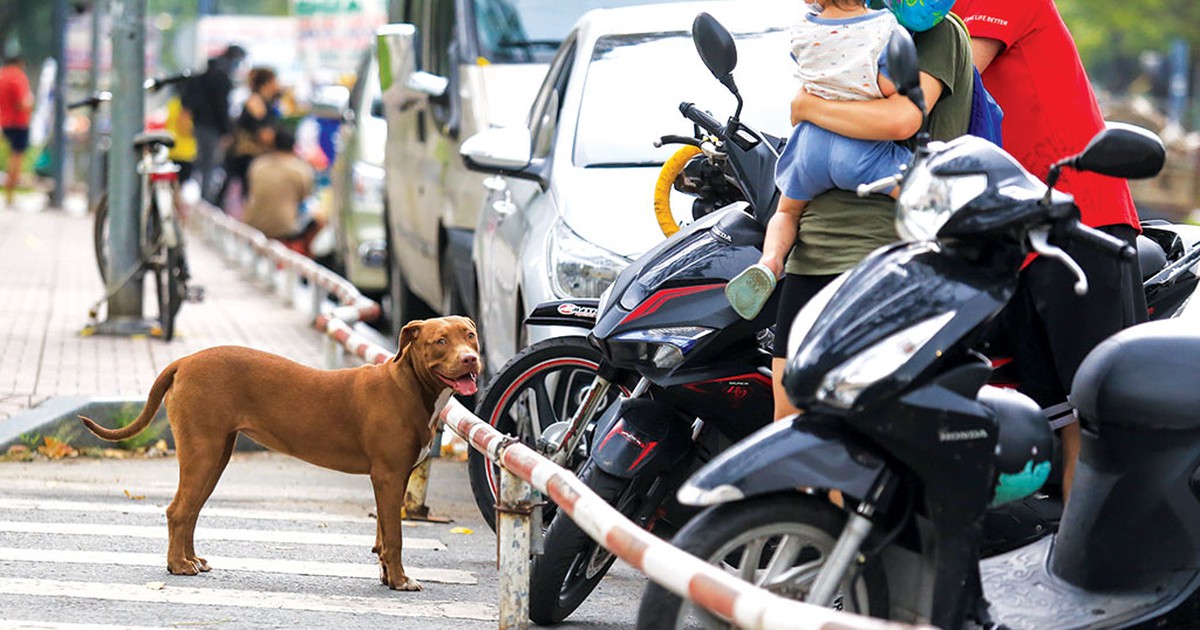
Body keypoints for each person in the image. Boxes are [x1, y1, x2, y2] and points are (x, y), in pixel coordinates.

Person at [955, 0, 1146, 500]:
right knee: (1057, 417)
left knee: (1096, 417)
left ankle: (1110, 558)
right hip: (1011, 231)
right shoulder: (926, 15)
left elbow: (949, 84)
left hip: (1077, 218)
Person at [767, 0, 972, 420]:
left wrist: (807, 109)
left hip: (884, 255)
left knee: (850, 429)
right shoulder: (832, 30)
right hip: (812, 255)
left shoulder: (934, 32)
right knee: (788, 421)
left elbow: (900, 118)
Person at [727, 0, 910, 321]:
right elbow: (889, 86)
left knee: (786, 211)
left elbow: (807, 69)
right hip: (859, 147)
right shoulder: (885, 28)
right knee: (914, 188)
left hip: (810, 144)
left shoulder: (803, 30)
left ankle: (769, 263)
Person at [183, 44, 245, 204]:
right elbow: (221, 107)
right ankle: (206, 201)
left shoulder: (204, 74)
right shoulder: (222, 76)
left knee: (203, 163)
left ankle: (204, 199)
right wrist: (226, 131)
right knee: (209, 165)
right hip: (212, 127)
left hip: (199, 124)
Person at [242, 127, 315, 247]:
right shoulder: (301, 169)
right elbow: (305, 197)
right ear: (294, 146)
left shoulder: (258, 164)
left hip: (253, 223)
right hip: (284, 228)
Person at [220, 66, 281, 207]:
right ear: (267, 83)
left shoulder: (264, 102)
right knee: (247, 195)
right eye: (274, 81)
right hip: (248, 154)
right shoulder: (256, 103)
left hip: (250, 155)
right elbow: (263, 133)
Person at [0, 54, 33, 207]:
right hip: (18, 122)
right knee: (16, 159)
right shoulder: (18, 77)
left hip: (4, 121)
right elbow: (22, 102)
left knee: (9, 158)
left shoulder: (2, 75)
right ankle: (9, 196)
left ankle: (9, 195)